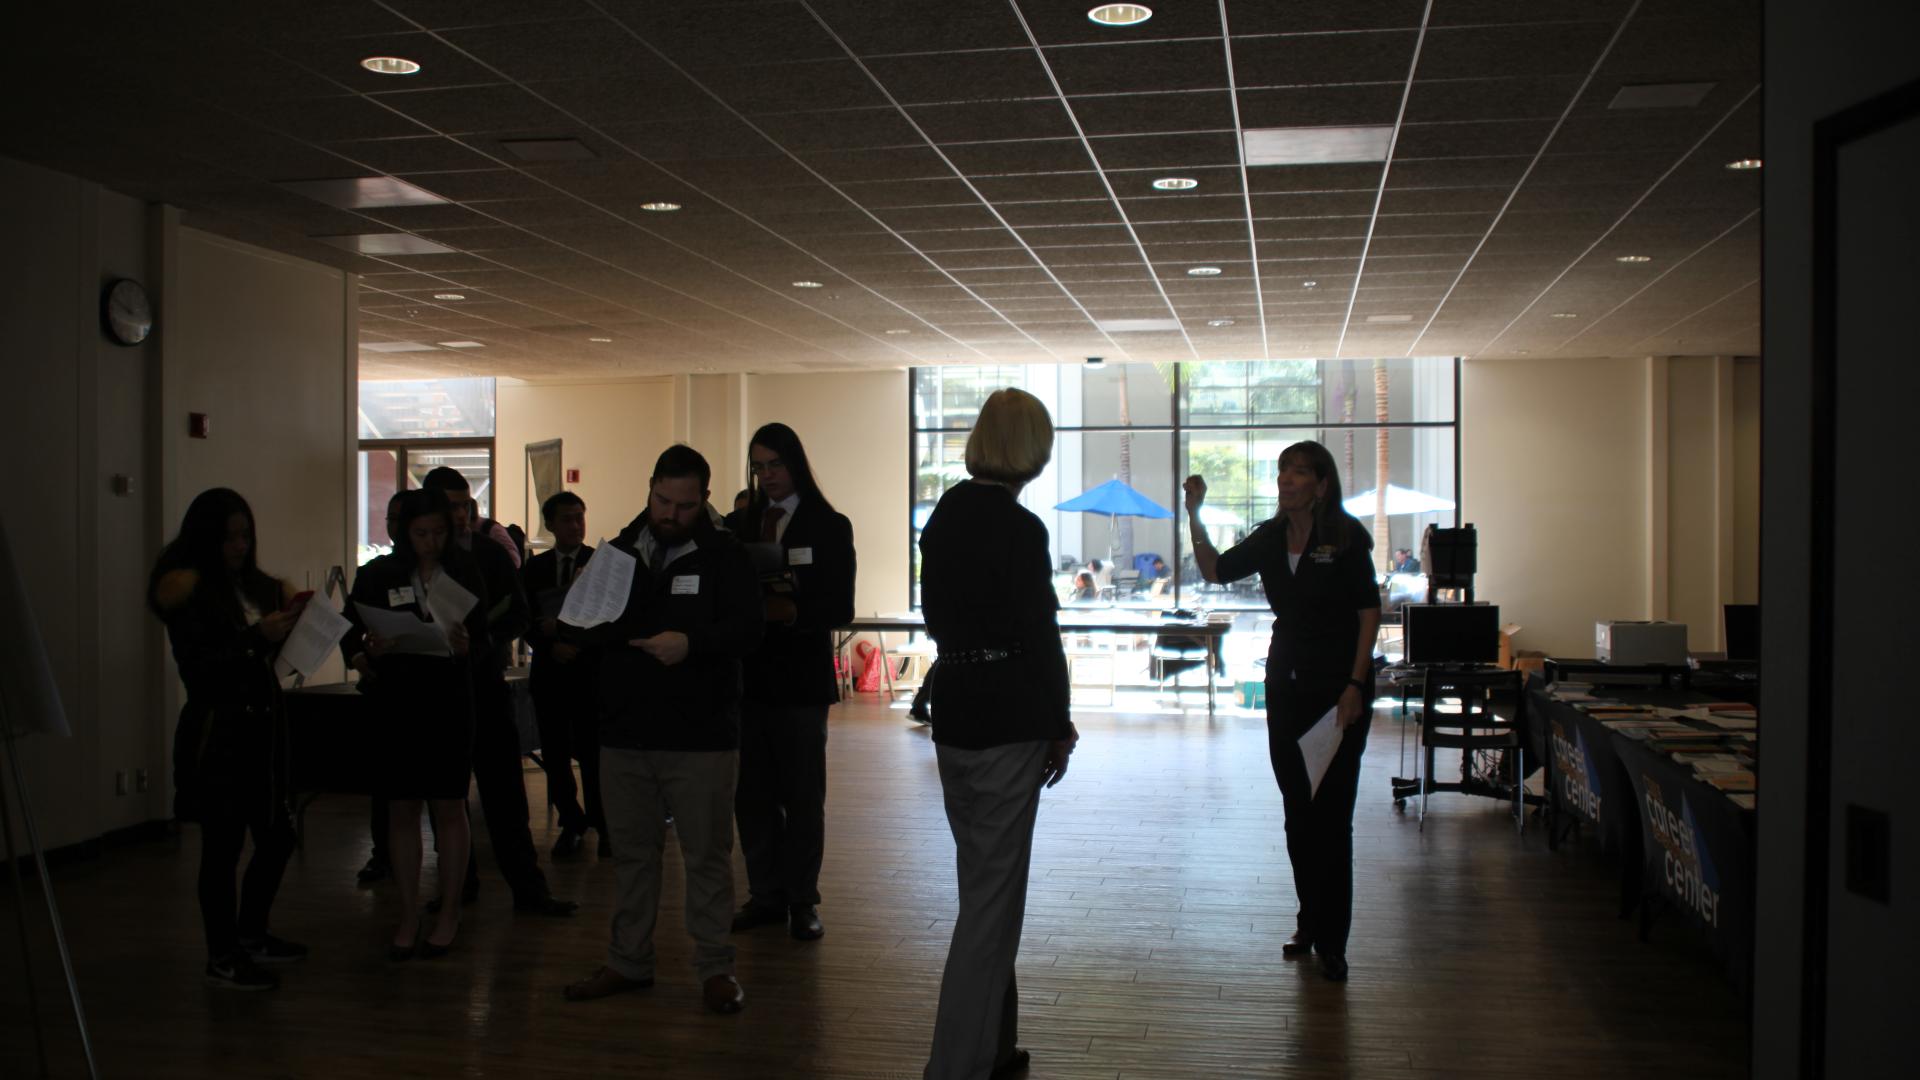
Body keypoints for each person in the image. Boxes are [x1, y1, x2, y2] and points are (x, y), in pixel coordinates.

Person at [563, 445, 763, 1014]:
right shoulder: (618, 552)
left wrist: (691, 644)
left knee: (705, 855)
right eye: (662, 501)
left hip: (700, 735)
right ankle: (628, 961)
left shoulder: (726, 556)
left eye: (685, 505)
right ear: (649, 488)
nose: (671, 514)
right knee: (631, 856)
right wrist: (580, 606)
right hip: (625, 731)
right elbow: (585, 633)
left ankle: (715, 969)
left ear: (703, 499)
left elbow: (750, 632)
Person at [919, 388, 1077, 1080]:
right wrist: (1059, 721)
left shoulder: (944, 516)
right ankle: (955, 1066)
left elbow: (937, 618)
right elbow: (1040, 635)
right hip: (1009, 716)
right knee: (990, 901)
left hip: (955, 711)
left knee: (985, 887)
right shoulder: (1019, 530)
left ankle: (995, 1042)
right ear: (1029, 450)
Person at [1183, 441, 1381, 983]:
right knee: (1298, 812)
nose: (1286, 480)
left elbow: (1369, 614)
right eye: (1281, 471)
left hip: (1337, 694)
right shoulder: (1271, 538)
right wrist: (1194, 515)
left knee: (1331, 818)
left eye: (1298, 472)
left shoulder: (1344, 539)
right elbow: (1216, 570)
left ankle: (1334, 940)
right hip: (1287, 690)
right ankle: (1310, 922)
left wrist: (1355, 684)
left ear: (1321, 485)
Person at [149, 488, 307, 990]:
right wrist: (255, 639)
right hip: (219, 732)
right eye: (230, 538)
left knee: (277, 835)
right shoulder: (189, 591)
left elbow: (264, 648)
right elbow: (201, 668)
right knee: (222, 847)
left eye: (246, 536)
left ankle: (251, 932)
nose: (240, 546)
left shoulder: (256, 586)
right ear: (207, 538)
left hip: (262, 729)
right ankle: (222, 952)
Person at [420, 467, 576, 918]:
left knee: (505, 796)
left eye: (466, 505)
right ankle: (458, 884)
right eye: (452, 506)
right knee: (447, 798)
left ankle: (529, 890)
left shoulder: (489, 555)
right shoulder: (417, 559)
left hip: (484, 688)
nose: (462, 515)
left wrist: (484, 641)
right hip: (439, 696)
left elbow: (519, 615)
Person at [341, 488, 488, 960]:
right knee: (401, 807)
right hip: (398, 699)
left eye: (440, 533)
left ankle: (449, 911)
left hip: (447, 700)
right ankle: (407, 912)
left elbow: (486, 635)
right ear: (405, 532)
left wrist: (468, 646)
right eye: (422, 533)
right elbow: (350, 630)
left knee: (449, 804)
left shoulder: (464, 570)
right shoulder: (379, 574)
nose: (431, 542)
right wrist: (366, 652)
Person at [724, 422, 856, 943]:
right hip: (748, 680)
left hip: (800, 682)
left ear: (795, 463)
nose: (767, 476)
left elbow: (840, 605)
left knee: (802, 795)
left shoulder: (828, 524)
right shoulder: (741, 524)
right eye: (758, 467)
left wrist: (791, 609)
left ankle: (803, 899)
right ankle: (765, 893)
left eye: (774, 465)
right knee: (751, 795)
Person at [522, 491, 605, 859]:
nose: (575, 525)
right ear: (551, 524)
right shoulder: (533, 570)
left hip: (589, 674)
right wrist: (548, 643)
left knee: (593, 753)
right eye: (567, 519)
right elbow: (523, 620)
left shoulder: (600, 564)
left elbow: (610, 618)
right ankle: (570, 822)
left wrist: (579, 644)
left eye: (580, 517)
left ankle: (603, 824)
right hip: (550, 674)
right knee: (555, 754)